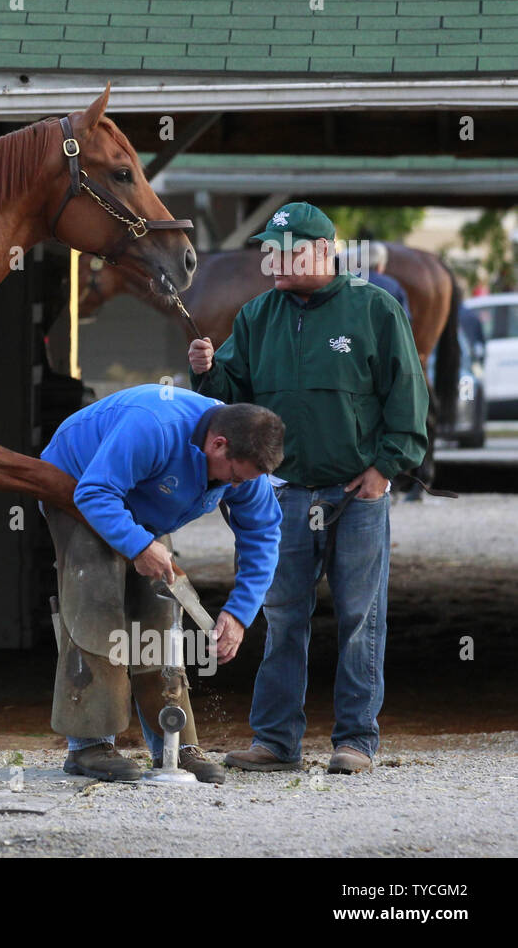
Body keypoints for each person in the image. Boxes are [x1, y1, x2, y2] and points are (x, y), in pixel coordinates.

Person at [189, 201, 428, 775]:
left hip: (356, 494)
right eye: (270, 252)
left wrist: (386, 468)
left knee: (359, 618)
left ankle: (356, 741)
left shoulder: (375, 308)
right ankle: (275, 741)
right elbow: (232, 399)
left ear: (325, 251)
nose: (275, 263)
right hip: (284, 493)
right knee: (282, 616)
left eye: (289, 251)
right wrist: (205, 370)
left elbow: (409, 395)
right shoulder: (255, 316)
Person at [39, 384, 284, 784]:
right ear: (218, 445)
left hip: (140, 501)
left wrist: (239, 613)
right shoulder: (154, 426)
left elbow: (263, 535)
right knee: (97, 594)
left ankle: (173, 743)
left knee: (160, 607)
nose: (237, 487)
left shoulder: (246, 464)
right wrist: (137, 544)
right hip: (78, 484)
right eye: (234, 477)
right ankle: (89, 744)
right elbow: (96, 491)